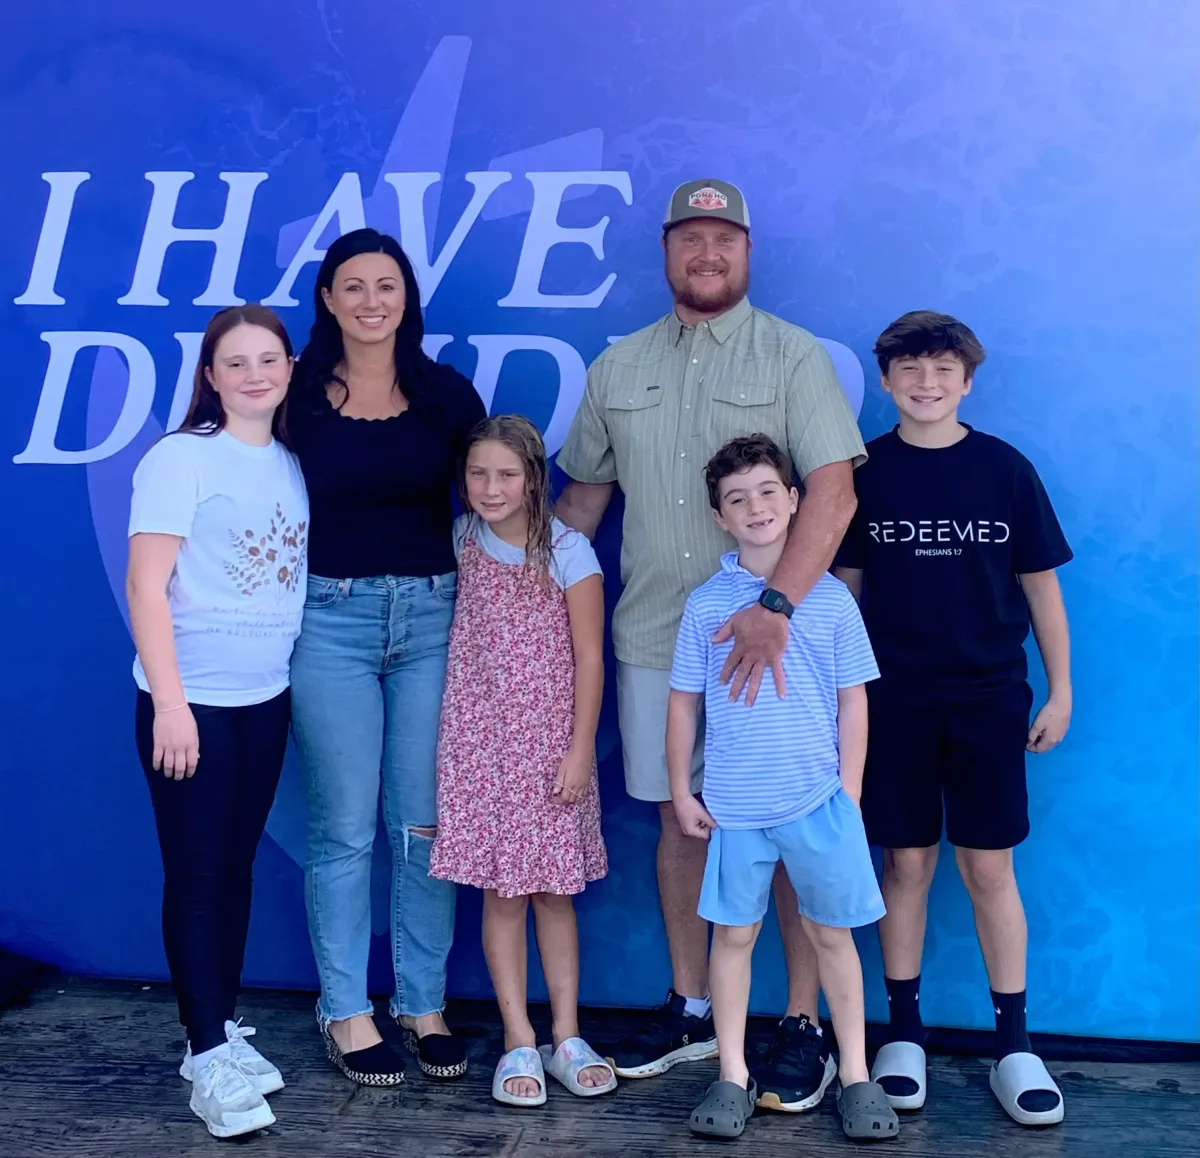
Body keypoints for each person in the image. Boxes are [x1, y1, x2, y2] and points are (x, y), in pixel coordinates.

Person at [556, 178, 864, 1110]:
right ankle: (693, 1010)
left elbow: (835, 492)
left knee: (800, 821)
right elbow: (579, 503)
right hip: (658, 637)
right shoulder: (620, 367)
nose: (706, 254)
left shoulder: (790, 355)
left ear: (746, 249)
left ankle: (802, 1025)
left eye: (722, 238)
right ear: (665, 252)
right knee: (683, 820)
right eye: (689, 239)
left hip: (781, 641)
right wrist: (501, 584)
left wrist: (774, 606)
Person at [834, 311, 1072, 1128]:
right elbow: (847, 590)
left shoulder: (1005, 470)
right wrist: (836, 700)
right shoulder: (866, 472)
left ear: (967, 381)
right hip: (892, 700)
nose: (927, 384)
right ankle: (904, 1034)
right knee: (904, 866)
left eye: (942, 370)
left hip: (988, 697)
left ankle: (1016, 1043)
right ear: (887, 381)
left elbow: (1041, 584)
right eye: (910, 370)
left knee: (989, 870)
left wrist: (1060, 689)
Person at [287, 228, 486, 1086]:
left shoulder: (446, 394)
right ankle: (345, 1010)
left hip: (432, 620)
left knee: (422, 826)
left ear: (408, 299)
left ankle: (421, 1003)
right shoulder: (290, 394)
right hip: (326, 620)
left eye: (388, 287)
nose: (372, 302)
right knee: (340, 829)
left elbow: (492, 504)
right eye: (353, 286)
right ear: (327, 299)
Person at [667, 435, 898, 1142]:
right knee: (733, 937)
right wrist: (683, 789)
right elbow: (684, 703)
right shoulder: (707, 606)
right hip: (735, 809)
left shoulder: (829, 601)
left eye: (769, 492)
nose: (756, 507)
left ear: (795, 501)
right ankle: (732, 1076)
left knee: (832, 936)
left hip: (819, 804)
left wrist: (849, 793)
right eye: (737, 499)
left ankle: (856, 1076)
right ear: (719, 518)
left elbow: (855, 700)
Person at [126, 305, 307, 1138]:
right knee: (197, 877)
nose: (254, 375)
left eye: (268, 359)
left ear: (290, 367)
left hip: (262, 701)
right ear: (211, 376)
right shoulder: (180, 459)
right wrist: (170, 703)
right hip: (189, 704)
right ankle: (203, 1056)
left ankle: (220, 1030)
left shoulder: (288, 462)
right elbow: (146, 586)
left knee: (232, 873)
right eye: (235, 363)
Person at [429, 415, 615, 1107]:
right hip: (478, 750)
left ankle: (566, 1034)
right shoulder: (460, 541)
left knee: (551, 893)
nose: (490, 487)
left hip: (548, 752)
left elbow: (591, 659)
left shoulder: (570, 552)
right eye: (478, 473)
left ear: (534, 477)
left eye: (506, 474)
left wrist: (578, 751)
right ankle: (517, 1035)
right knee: (501, 894)